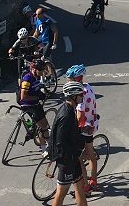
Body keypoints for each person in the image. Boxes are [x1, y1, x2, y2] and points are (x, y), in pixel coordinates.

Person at [49, 81, 88, 206]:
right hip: (66, 160)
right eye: (80, 95)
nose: (82, 97)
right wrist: (73, 154)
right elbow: (60, 141)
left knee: (80, 187)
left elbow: (71, 134)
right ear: (74, 96)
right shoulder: (66, 114)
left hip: (72, 158)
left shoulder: (70, 110)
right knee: (61, 193)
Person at [65, 64, 100, 195]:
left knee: (78, 159)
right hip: (91, 125)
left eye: (70, 79)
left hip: (82, 128)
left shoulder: (79, 93)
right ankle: (94, 181)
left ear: (77, 79)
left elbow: (79, 115)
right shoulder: (88, 87)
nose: (68, 81)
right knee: (91, 155)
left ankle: (85, 188)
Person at [19, 60, 51, 155]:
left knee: (45, 124)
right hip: (29, 105)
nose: (42, 72)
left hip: (35, 104)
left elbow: (36, 89)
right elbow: (23, 97)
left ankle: (47, 144)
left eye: (43, 69)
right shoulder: (27, 79)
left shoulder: (36, 77)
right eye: (40, 70)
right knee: (43, 126)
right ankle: (45, 149)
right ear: (34, 69)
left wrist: (42, 94)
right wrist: (37, 97)